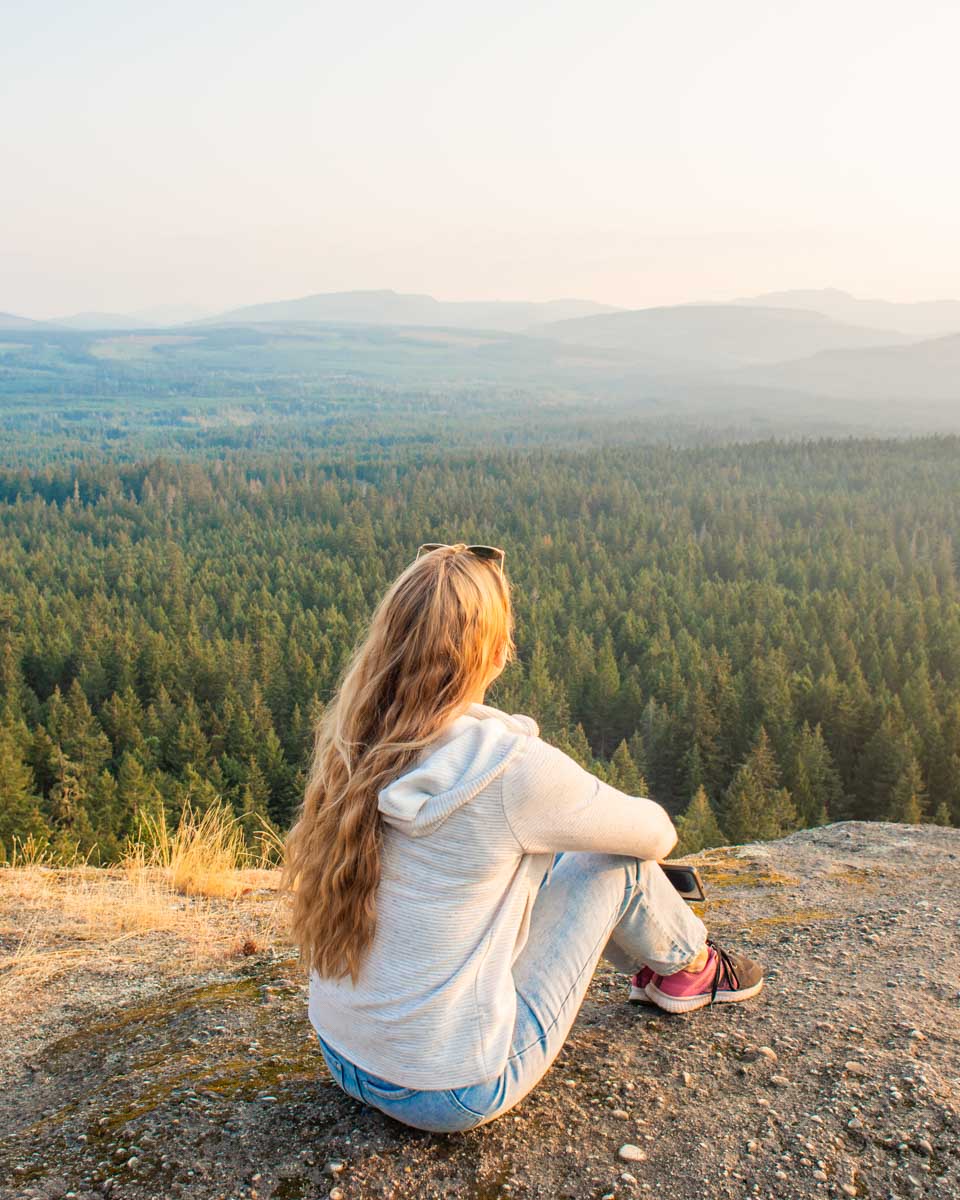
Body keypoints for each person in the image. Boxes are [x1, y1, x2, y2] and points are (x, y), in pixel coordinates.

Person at [281, 542, 763, 1134]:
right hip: (449, 1089)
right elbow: (655, 835)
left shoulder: (358, 738)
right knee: (617, 865)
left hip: (342, 1054)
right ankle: (690, 968)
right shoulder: (511, 768)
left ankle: (675, 964)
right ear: (494, 651)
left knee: (542, 848)